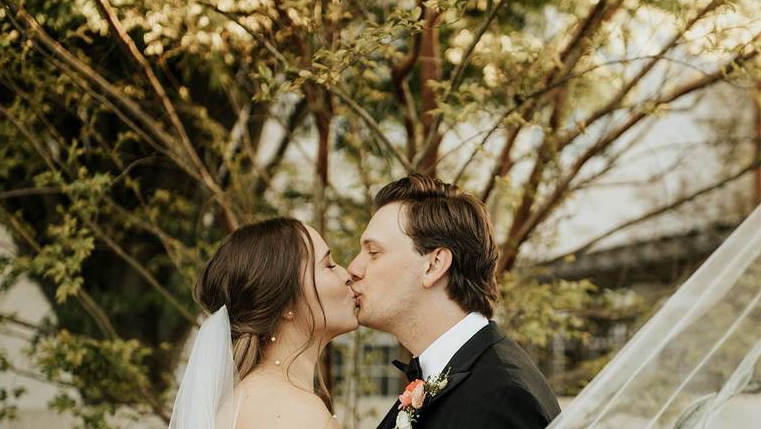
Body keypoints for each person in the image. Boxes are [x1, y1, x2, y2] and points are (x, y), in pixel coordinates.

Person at [348, 174, 561, 429]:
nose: (353, 268)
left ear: (434, 265)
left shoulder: (502, 398)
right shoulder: (448, 376)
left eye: (373, 253)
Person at [169, 217, 357, 429]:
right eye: (329, 265)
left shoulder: (243, 400)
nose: (347, 274)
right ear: (286, 304)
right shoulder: (298, 414)